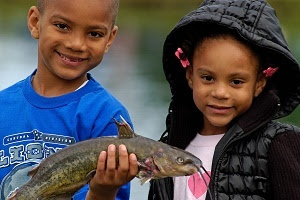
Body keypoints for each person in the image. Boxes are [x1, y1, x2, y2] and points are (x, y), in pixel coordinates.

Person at [148, 0, 300, 199]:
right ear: (190, 75)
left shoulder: (277, 143)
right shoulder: (169, 147)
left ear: (259, 83)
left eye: (236, 81)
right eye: (208, 78)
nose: (220, 92)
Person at [0, 0, 138, 200]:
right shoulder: (3, 107)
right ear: (35, 22)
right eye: (62, 26)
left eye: (94, 34)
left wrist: (103, 192)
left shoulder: (108, 116)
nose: (76, 44)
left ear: (109, 39)